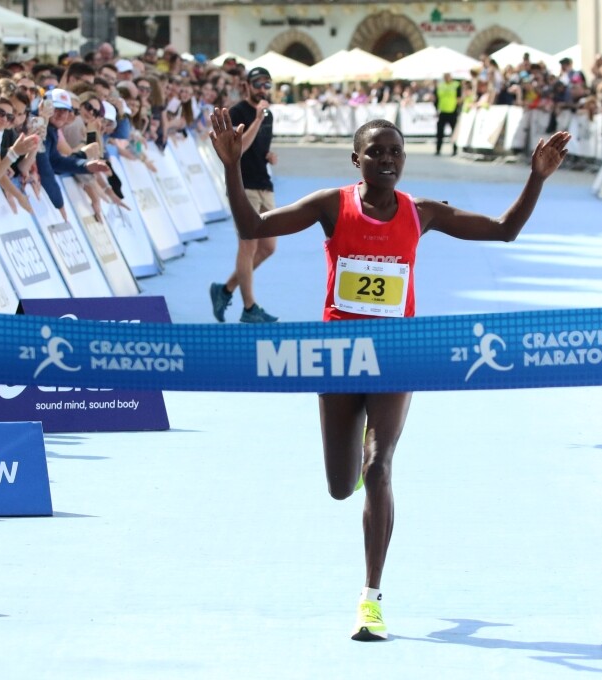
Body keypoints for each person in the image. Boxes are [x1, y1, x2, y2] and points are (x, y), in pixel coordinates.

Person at [208, 108, 570, 641]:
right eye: (375, 152)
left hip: (397, 353)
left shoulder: (422, 212)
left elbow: (504, 231)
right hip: (338, 355)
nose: (386, 159)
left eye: (395, 151)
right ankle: (355, 468)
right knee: (341, 486)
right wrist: (232, 166)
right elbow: (253, 228)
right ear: (356, 159)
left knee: (379, 467)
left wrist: (536, 177)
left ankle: (371, 599)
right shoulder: (331, 205)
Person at [209, 66, 279, 323]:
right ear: (246, 86)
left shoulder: (269, 114)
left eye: (267, 84)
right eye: (258, 84)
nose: (262, 89)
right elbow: (238, 150)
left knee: (268, 247)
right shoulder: (237, 113)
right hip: (243, 185)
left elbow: (258, 147)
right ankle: (249, 308)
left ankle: (225, 289)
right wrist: (257, 120)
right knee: (248, 246)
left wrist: (268, 155)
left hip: (264, 183)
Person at [434, 71, 460, 156]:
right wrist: (436, 109)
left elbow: (459, 97)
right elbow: (437, 99)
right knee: (440, 132)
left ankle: (455, 150)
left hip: (453, 112)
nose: (447, 78)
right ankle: (438, 149)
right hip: (442, 112)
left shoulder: (456, 85)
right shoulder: (440, 86)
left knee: (454, 132)